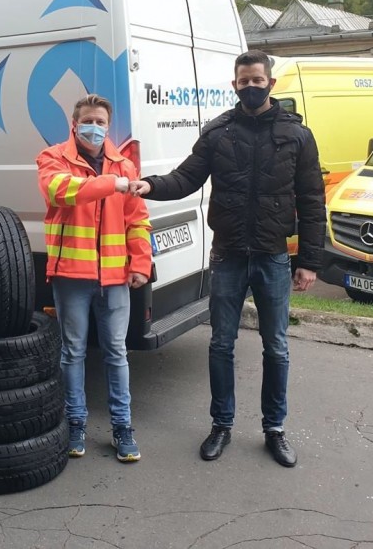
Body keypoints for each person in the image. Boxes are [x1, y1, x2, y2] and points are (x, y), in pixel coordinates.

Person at [129, 49, 325, 468]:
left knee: (276, 347)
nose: (250, 87)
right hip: (228, 256)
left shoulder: (297, 135)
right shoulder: (219, 132)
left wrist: (310, 260)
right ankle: (221, 425)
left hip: (273, 257)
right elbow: (186, 177)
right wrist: (150, 185)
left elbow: (312, 200)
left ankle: (275, 429)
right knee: (221, 344)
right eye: (243, 82)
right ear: (234, 85)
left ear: (271, 83)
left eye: (257, 81)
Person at [36, 94, 153, 463]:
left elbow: (138, 220)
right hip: (72, 275)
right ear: (74, 124)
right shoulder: (53, 157)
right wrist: (111, 183)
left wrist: (141, 263)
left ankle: (122, 427)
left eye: (101, 122)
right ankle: (75, 423)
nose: (94, 127)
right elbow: (60, 191)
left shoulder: (125, 165)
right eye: (88, 121)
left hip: (115, 277)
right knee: (73, 351)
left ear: (108, 125)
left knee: (117, 352)